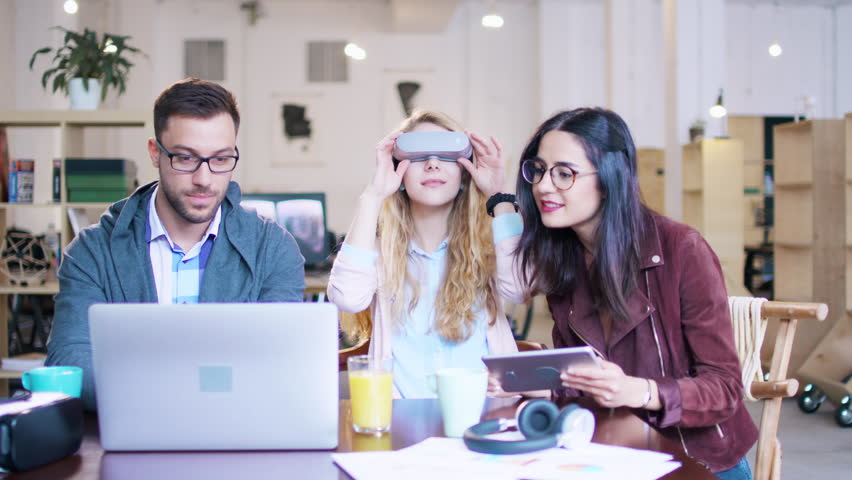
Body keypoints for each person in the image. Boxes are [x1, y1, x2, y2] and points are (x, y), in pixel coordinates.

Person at [488, 108, 757, 479]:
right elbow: (590, 386)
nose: (544, 186)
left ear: (610, 178)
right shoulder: (564, 258)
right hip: (614, 453)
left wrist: (641, 391)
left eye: (564, 173)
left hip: (697, 461)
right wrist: (545, 390)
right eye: (539, 169)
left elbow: (724, 389)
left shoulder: (682, 249)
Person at [46, 78, 306, 410]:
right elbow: (70, 361)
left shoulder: (274, 250)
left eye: (221, 159)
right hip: (132, 433)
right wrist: (198, 385)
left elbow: (276, 365)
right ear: (155, 153)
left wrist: (151, 381)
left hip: (235, 431)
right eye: (185, 158)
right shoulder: (92, 251)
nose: (204, 179)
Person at [327, 110, 517, 398]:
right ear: (399, 175)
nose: (432, 164)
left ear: (464, 175)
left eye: (445, 156)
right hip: (401, 416)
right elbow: (346, 298)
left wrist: (499, 196)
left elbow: (518, 287)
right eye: (418, 157)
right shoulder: (380, 253)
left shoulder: (489, 248)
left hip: (483, 412)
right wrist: (373, 195)